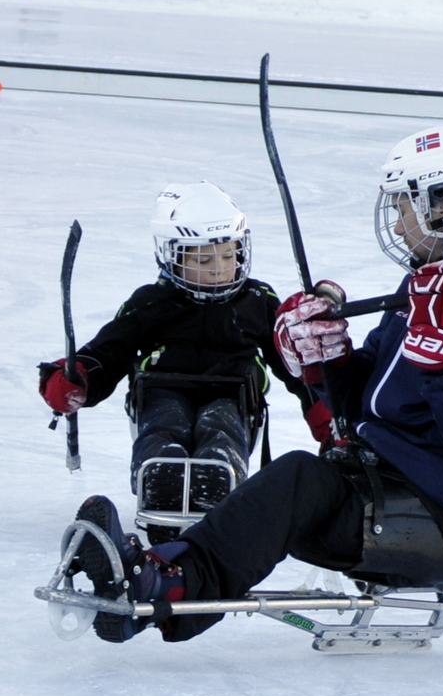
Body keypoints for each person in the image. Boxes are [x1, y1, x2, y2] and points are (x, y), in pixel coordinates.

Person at [61, 126, 443, 643]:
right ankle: (158, 584)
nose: (399, 226)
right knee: (292, 482)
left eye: (404, 207)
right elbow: (367, 403)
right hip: (396, 486)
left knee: (296, 485)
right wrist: (324, 358)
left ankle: (160, 589)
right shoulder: (433, 284)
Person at [37, 182, 316, 544]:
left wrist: (325, 415)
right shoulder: (153, 302)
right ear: (172, 256)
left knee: (221, 424)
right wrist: (76, 378)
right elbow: (109, 350)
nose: (219, 269)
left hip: (232, 397)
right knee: (166, 422)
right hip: (163, 391)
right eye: (202, 260)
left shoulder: (258, 301)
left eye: (229, 256)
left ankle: (219, 476)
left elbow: (296, 367)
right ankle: (162, 478)